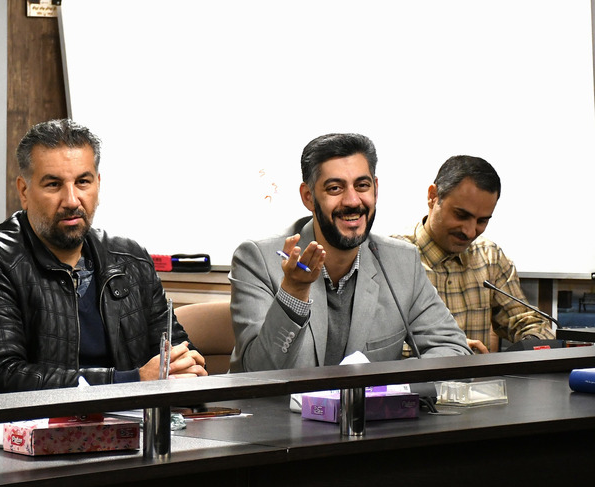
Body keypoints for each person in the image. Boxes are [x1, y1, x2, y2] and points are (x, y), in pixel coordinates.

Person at [0, 119, 207, 396]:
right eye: (53, 184)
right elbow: (2, 378)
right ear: (24, 191)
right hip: (32, 424)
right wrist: (133, 381)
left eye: (82, 182)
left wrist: (185, 370)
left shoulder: (130, 259)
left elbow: (179, 353)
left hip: (133, 419)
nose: (71, 200)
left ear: (98, 184)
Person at [229, 133, 470, 372]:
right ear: (308, 197)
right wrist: (294, 292)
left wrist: (385, 385)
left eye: (362, 186)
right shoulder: (258, 259)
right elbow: (256, 373)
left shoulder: (402, 262)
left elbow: (454, 350)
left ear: (375, 189)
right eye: (335, 188)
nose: (353, 201)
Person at [394, 155, 554, 353]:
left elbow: (527, 322)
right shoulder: (391, 258)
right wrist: (447, 349)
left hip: (478, 375)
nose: (470, 232)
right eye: (461, 215)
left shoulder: (490, 257)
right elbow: (372, 346)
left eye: (482, 221)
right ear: (433, 196)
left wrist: (531, 342)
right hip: (418, 374)